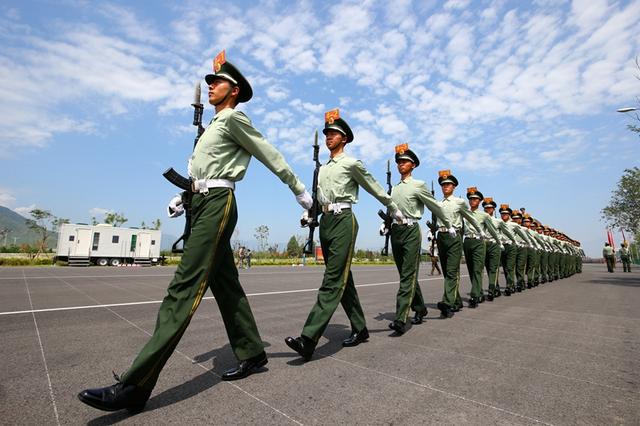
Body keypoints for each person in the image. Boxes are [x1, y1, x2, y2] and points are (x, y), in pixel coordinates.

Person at [78, 51, 314, 413]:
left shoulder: (235, 119)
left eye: (216, 82)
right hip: (202, 202)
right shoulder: (213, 128)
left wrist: (298, 189)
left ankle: (134, 385)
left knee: (183, 287)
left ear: (233, 91)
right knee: (225, 284)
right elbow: (201, 170)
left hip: (218, 204)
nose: (210, 86)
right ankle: (252, 351)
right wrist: (182, 195)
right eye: (209, 82)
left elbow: (269, 153)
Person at [284, 109, 405, 360]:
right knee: (342, 279)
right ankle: (360, 328)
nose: (329, 136)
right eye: (327, 133)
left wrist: (393, 208)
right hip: (326, 223)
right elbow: (319, 199)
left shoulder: (351, 164)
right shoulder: (324, 168)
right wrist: (311, 215)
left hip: (344, 222)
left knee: (332, 279)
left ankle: (308, 338)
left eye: (334, 133)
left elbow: (375, 187)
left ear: (345, 139)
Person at [384, 145, 451, 335]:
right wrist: (386, 224)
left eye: (404, 161)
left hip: (412, 230)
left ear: (413, 165)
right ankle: (420, 308)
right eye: (398, 162)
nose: (400, 164)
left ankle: (400, 318)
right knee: (407, 274)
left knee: (407, 275)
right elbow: (391, 209)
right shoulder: (395, 189)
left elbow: (435, 207)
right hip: (396, 232)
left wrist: (447, 223)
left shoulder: (418, 185)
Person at [434, 170, 482, 318]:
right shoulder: (438, 203)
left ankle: (447, 302)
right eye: (443, 185)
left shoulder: (459, 202)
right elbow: (436, 220)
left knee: (451, 270)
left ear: (454, 186)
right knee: (446, 269)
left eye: (448, 184)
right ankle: (457, 300)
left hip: (454, 236)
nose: (445, 187)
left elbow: (470, 217)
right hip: (441, 236)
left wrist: (479, 230)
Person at [462, 188, 501, 308]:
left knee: (478, 268)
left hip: (479, 242)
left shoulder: (484, 215)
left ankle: (474, 295)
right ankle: (479, 292)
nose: (472, 201)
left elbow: (492, 230)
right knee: (471, 269)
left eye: (475, 199)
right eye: (471, 199)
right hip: (467, 242)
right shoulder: (464, 213)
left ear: (479, 201)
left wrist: (499, 242)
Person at [482, 198, 516, 300]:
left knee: (495, 268)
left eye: (490, 208)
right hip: (484, 244)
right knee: (488, 268)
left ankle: (493, 289)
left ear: (493, 209)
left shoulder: (498, 221)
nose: (488, 209)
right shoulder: (482, 219)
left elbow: (507, 233)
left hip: (495, 245)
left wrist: (513, 241)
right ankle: (496, 287)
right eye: (486, 208)